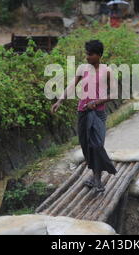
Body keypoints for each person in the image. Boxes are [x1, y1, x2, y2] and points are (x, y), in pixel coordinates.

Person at [51, 40, 117, 192]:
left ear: (99, 55)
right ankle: (94, 176)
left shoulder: (107, 71)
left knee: (97, 145)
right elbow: (72, 85)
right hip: (83, 112)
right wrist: (60, 100)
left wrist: (97, 101)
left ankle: (98, 179)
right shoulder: (82, 68)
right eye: (86, 53)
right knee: (86, 145)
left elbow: (113, 94)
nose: (87, 57)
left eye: (90, 54)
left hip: (98, 113)